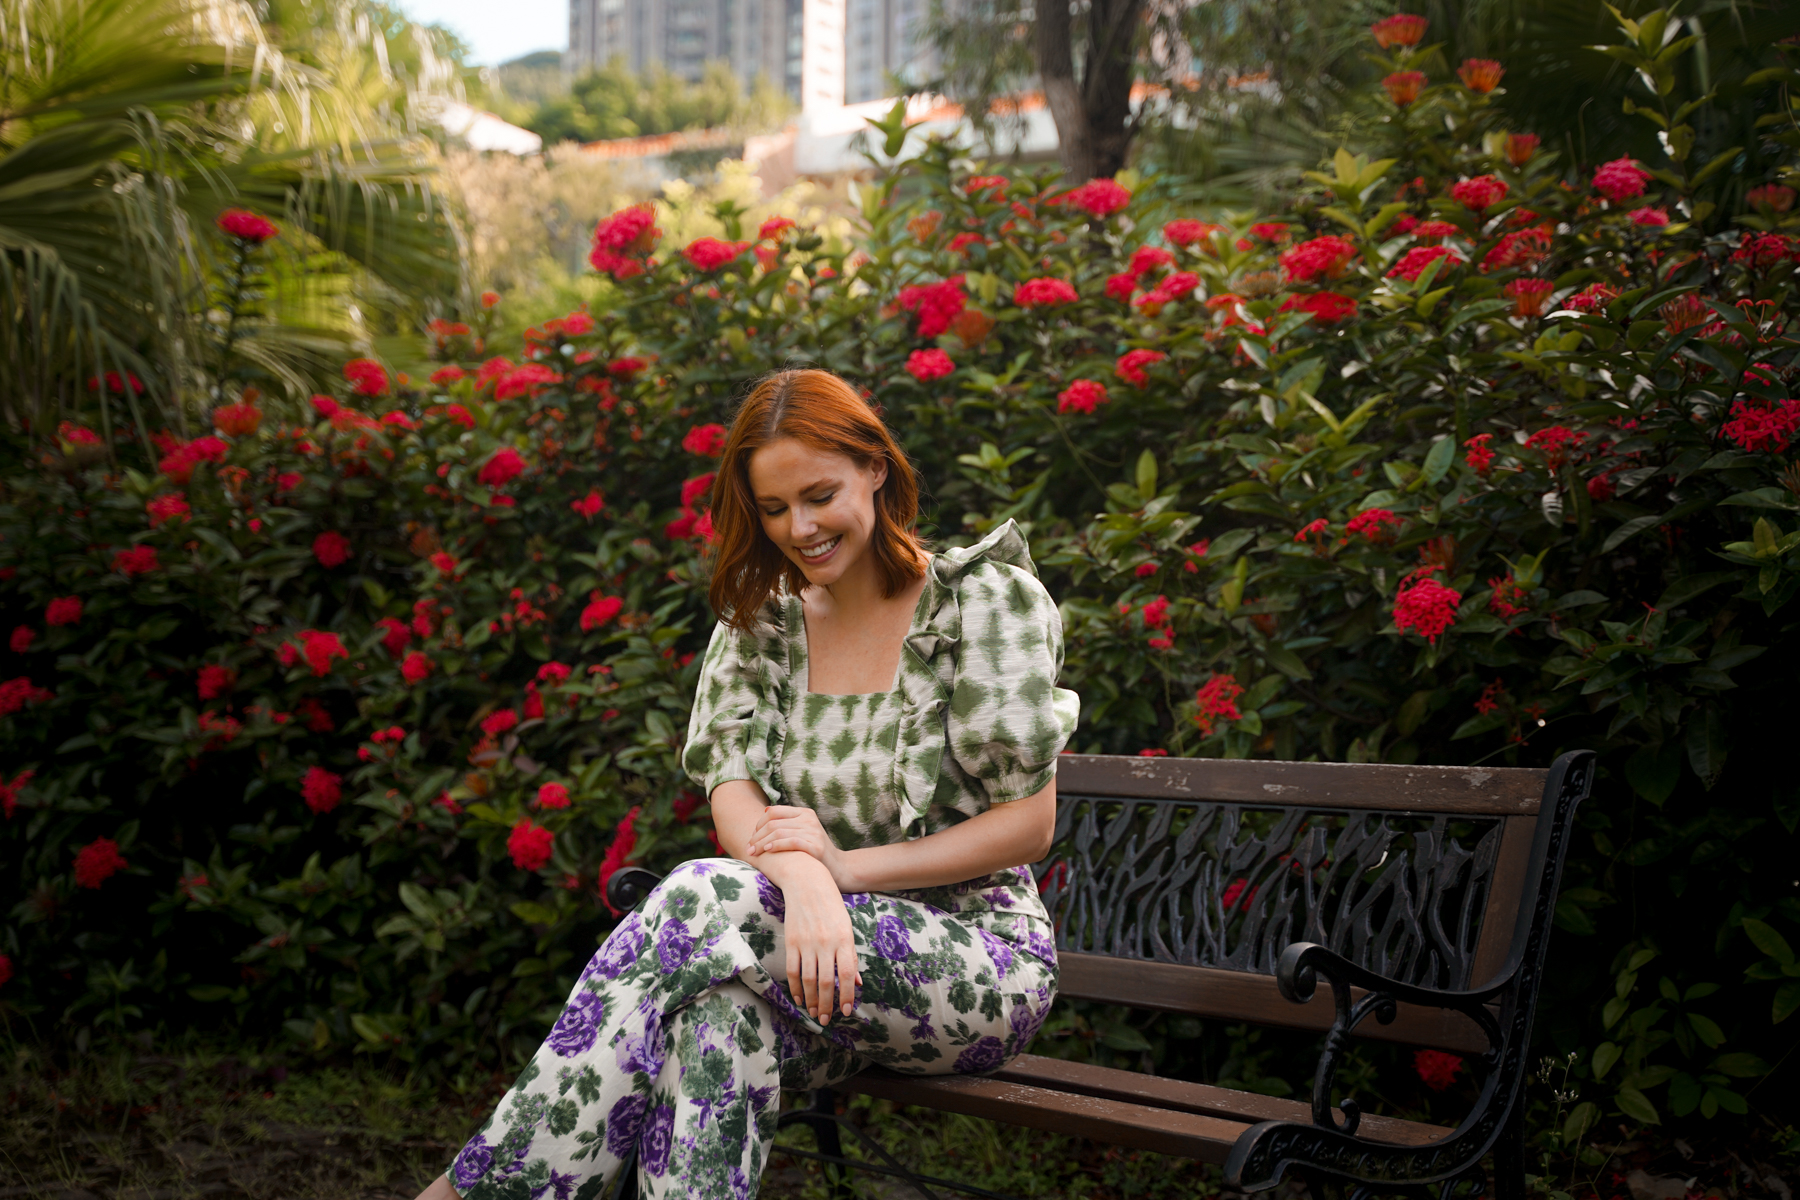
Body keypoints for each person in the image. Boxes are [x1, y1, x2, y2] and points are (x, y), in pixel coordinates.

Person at [422, 368, 1078, 1200]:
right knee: (719, 1023)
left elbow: (1027, 826)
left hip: (976, 966)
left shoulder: (980, 603)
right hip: (806, 957)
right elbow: (732, 789)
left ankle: (472, 1194)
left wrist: (843, 871)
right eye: (773, 508)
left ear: (876, 468)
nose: (799, 528)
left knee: (699, 895)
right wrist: (802, 878)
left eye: (819, 495)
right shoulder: (762, 621)